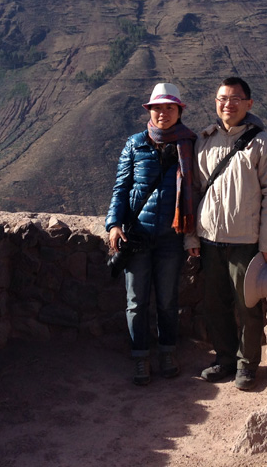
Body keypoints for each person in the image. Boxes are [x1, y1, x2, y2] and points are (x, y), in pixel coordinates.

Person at [188, 76, 267, 391]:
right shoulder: (205, 140)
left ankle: (247, 365)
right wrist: (191, 237)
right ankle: (224, 360)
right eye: (222, 98)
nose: (227, 104)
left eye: (235, 99)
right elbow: (194, 191)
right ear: (216, 101)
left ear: (248, 103)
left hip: (246, 243)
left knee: (249, 307)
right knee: (215, 305)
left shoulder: (263, 143)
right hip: (209, 240)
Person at [106, 82, 198, 386]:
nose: (163, 113)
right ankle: (140, 358)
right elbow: (121, 189)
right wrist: (113, 225)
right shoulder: (135, 144)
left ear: (179, 111)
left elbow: (199, 189)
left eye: (169, 107)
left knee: (168, 301)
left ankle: (167, 352)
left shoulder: (190, 145)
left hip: (171, 238)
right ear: (150, 111)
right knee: (136, 301)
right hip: (138, 237)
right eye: (157, 108)